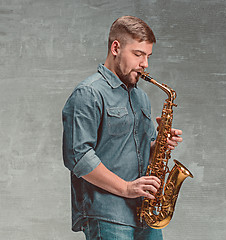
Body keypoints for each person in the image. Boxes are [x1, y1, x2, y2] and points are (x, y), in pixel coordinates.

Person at [62, 16, 183, 240]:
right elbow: (78, 157)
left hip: (146, 213)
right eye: (138, 54)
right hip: (108, 215)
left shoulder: (141, 98)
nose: (145, 64)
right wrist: (127, 189)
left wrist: (161, 145)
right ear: (116, 48)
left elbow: (142, 154)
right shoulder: (88, 93)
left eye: (148, 56)